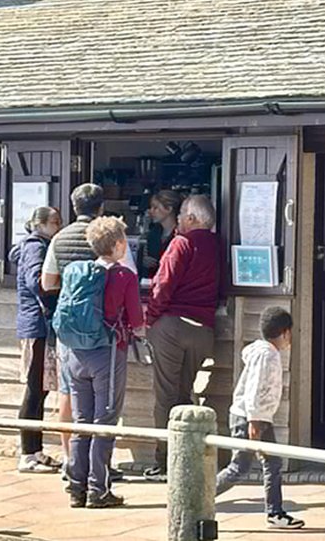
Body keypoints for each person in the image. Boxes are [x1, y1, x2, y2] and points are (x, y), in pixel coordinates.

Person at [43, 184, 137, 482]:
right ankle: (100, 480)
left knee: (71, 404)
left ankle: (73, 468)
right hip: (105, 342)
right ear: (100, 207)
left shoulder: (59, 238)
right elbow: (131, 296)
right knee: (105, 412)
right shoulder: (117, 252)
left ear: (73, 207)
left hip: (71, 337)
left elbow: (47, 283)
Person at [54, 216, 144, 509]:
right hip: (107, 353)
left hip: (75, 353)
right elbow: (137, 320)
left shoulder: (77, 272)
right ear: (118, 245)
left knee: (82, 422)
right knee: (104, 422)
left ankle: (76, 487)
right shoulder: (124, 277)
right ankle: (99, 489)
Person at [143, 194, 221, 481]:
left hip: (172, 326)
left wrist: (150, 319)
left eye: (181, 216)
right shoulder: (216, 244)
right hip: (204, 329)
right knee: (186, 395)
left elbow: (162, 285)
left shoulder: (181, 243)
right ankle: (189, 457)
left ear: (191, 218)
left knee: (165, 397)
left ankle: (165, 462)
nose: (177, 221)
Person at [215, 306, 304, 530]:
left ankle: (275, 513)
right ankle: (197, 494)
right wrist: (254, 421)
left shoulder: (265, 352)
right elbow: (255, 388)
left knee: (273, 462)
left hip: (260, 418)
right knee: (240, 468)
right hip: (250, 418)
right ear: (284, 332)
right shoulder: (266, 355)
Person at [9, 206, 63, 474]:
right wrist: (53, 294)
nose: (59, 226)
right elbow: (36, 281)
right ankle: (27, 454)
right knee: (34, 388)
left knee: (40, 389)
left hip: (37, 323)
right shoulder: (35, 246)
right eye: (54, 222)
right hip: (36, 324)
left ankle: (36, 450)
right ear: (39, 224)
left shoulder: (40, 244)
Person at [143, 190, 183, 276]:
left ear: (169, 209)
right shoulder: (153, 234)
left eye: (155, 208)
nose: (151, 211)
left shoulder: (181, 236)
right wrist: (145, 262)